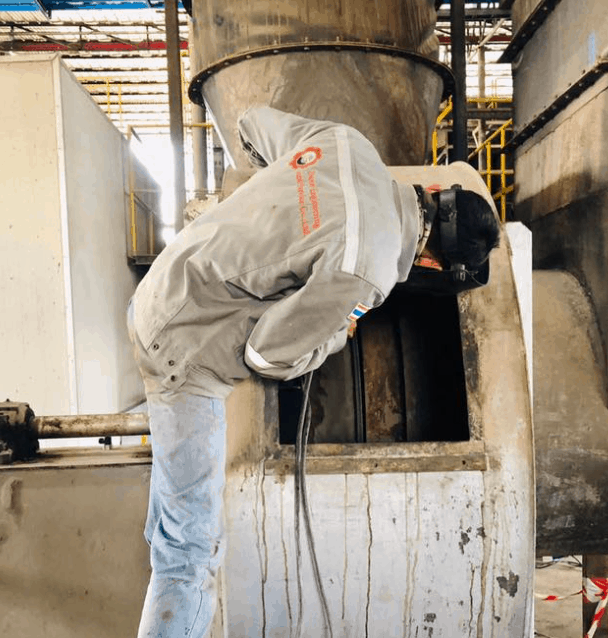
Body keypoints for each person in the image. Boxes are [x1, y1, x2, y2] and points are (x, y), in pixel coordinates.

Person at [127, 105, 499, 638]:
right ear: (435, 263)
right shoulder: (367, 270)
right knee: (190, 553)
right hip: (182, 354)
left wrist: (274, 215)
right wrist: (335, 333)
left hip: (160, 287)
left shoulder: (349, 143)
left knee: (174, 521)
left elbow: (251, 123)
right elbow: (267, 356)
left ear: (438, 191)